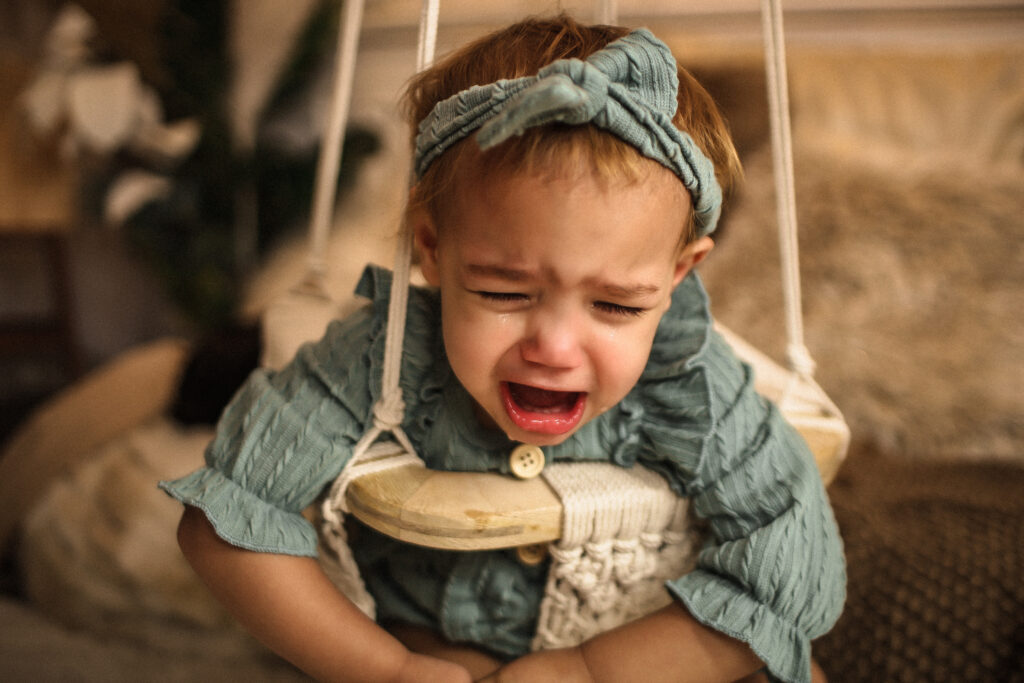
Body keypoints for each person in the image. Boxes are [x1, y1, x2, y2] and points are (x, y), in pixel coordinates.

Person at [162, 14, 844, 683]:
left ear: (677, 277)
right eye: (505, 293)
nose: (553, 346)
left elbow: (791, 566)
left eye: (615, 305)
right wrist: (386, 667)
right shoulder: (383, 355)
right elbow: (225, 520)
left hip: (643, 640)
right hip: (437, 639)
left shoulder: (688, 376)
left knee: (794, 665)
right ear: (433, 251)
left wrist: (589, 669)